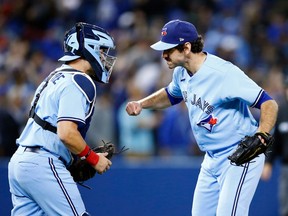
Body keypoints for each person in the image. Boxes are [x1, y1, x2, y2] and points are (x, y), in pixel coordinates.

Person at [126, 19, 278, 216]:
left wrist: (262, 135)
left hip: (240, 155)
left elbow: (269, 103)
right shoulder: (181, 72)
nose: (164, 55)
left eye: (168, 50)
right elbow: (171, 95)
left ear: (186, 47)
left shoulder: (223, 73)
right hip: (211, 158)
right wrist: (142, 104)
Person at [8, 22, 117, 215]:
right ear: (89, 48)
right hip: (43, 162)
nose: (104, 57)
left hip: (20, 162)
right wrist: (92, 158)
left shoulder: (53, 76)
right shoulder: (80, 80)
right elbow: (66, 133)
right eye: (101, 50)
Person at [261, 78, 288, 216]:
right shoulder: (282, 111)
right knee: (285, 206)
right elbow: (275, 141)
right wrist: (268, 164)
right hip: (286, 167)